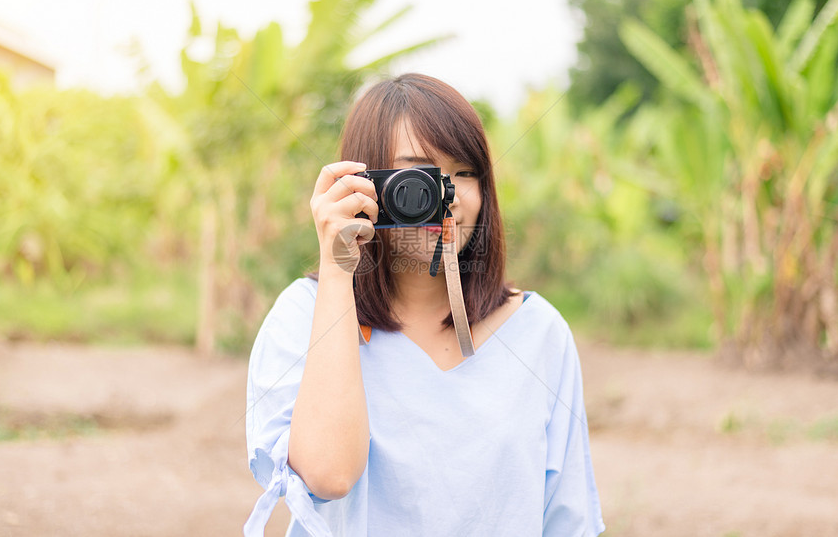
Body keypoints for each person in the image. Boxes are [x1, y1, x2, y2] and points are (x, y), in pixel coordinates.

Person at [244, 73, 605, 536]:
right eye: (421, 175)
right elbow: (330, 475)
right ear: (363, 186)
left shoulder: (538, 332)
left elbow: (568, 521)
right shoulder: (303, 314)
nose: (447, 196)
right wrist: (338, 267)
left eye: (465, 173)